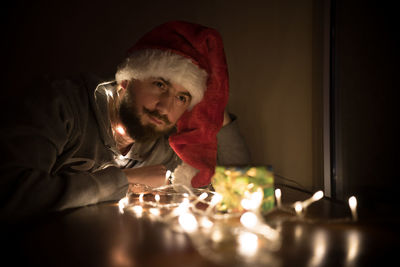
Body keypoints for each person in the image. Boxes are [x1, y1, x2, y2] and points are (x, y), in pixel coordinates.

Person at [0, 21, 250, 221]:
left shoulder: (164, 146)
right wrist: (126, 179)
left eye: (182, 97)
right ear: (125, 81)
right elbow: (11, 193)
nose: (165, 107)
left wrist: (215, 112)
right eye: (160, 84)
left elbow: (242, 197)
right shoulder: (60, 104)